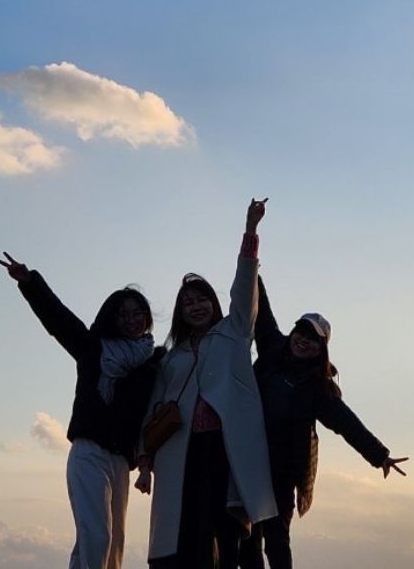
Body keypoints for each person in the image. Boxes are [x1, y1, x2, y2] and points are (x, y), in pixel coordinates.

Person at [0, 252, 162, 569]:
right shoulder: (92, 348)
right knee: (97, 536)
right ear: (112, 317)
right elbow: (58, 319)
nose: (132, 319)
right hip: (88, 453)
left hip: (121, 460)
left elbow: (150, 417)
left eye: (138, 313)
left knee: (112, 546)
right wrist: (30, 282)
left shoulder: (152, 363)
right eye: (124, 314)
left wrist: (144, 463)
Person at [136, 199, 278, 568]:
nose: (196, 307)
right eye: (188, 304)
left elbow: (244, 288)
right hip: (181, 451)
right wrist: (146, 461)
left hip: (225, 447)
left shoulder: (234, 332)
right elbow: (155, 409)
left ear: (213, 303)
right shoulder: (172, 357)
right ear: (181, 313)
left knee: (228, 531)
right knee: (185, 533)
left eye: (201, 300)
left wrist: (250, 231)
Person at [238, 275, 408, 569]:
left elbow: (347, 424)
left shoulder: (318, 388)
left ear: (321, 348)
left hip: (282, 471)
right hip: (249, 460)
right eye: (301, 333)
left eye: (313, 339)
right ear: (293, 332)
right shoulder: (272, 348)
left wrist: (379, 455)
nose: (304, 341)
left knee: (277, 540)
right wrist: (252, 270)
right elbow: (262, 309)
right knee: (247, 536)